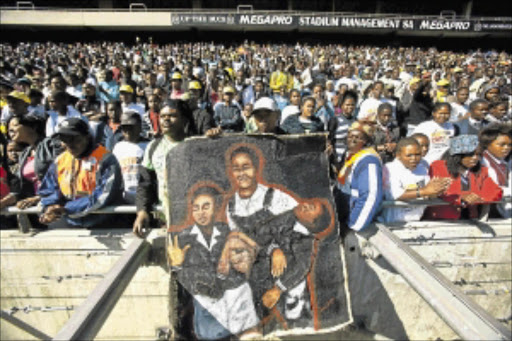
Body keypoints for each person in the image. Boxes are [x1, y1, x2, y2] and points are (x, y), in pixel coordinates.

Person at [168, 184, 260, 340]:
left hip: (230, 300)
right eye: (196, 208)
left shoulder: (226, 232)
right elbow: (184, 281)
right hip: (205, 303)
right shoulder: (182, 238)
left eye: (206, 207)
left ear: (216, 208)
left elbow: (249, 255)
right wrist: (177, 265)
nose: (200, 213)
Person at [223, 144, 300, 319]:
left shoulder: (276, 197)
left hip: (282, 275)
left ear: (256, 168)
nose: (241, 173)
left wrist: (280, 249)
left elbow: (302, 234)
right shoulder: (231, 206)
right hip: (253, 275)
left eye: (246, 167)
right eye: (236, 169)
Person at [38, 118, 124, 227]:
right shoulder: (60, 161)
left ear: (87, 138)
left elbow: (103, 196)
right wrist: (50, 208)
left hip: (102, 222)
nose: (70, 145)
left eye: (74, 139)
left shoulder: (106, 159)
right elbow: (48, 191)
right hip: (69, 222)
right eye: (64, 140)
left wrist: (67, 208)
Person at [134, 100, 191, 237]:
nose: (166, 120)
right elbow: (145, 182)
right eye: (162, 116)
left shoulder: (195, 145)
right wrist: (142, 210)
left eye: (172, 116)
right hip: (165, 221)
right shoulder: (153, 147)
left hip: (194, 220)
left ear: (184, 119)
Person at [424, 135, 503, 220]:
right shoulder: (439, 166)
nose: (475, 158)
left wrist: (477, 197)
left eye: (478, 154)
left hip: (470, 219)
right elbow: (441, 191)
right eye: (470, 154)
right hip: (442, 219)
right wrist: (461, 197)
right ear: (458, 155)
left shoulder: (481, 170)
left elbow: (496, 191)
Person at [380, 138, 451, 223]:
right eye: (409, 155)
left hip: (416, 220)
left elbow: (428, 192)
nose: (413, 158)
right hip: (393, 222)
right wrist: (425, 191)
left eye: (417, 154)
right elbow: (396, 195)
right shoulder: (390, 169)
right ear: (398, 155)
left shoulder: (422, 169)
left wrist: (437, 190)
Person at [336, 121, 383, 232]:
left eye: (358, 137)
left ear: (366, 141)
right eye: (350, 136)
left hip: (354, 224)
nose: (353, 140)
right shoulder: (351, 157)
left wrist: (354, 225)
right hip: (344, 216)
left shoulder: (368, 161)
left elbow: (371, 196)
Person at [112, 111, 149, 205]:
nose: (128, 131)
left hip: (145, 197)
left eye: (131, 127)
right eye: (124, 128)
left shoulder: (149, 146)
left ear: (140, 127)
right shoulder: (118, 147)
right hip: (125, 198)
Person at [480, 124, 512, 218]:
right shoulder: (482, 162)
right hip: (489, 212)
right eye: (501, 145)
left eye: (509, 145)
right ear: (487, 144)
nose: (506, 148)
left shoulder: (504, 162)